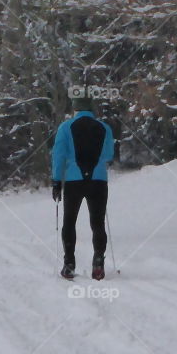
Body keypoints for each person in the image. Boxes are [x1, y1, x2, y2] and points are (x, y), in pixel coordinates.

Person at [51, 94, 115, 280]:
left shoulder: (65, 127)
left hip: (73, 180)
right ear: (91, 109)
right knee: (98, 223)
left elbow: (58, 155)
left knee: (69, 222)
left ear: (75, 109)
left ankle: (69, 264)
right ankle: (98, 263)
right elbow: (109, 155)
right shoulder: (104, 128)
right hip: (98, 180)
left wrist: (56, 181)